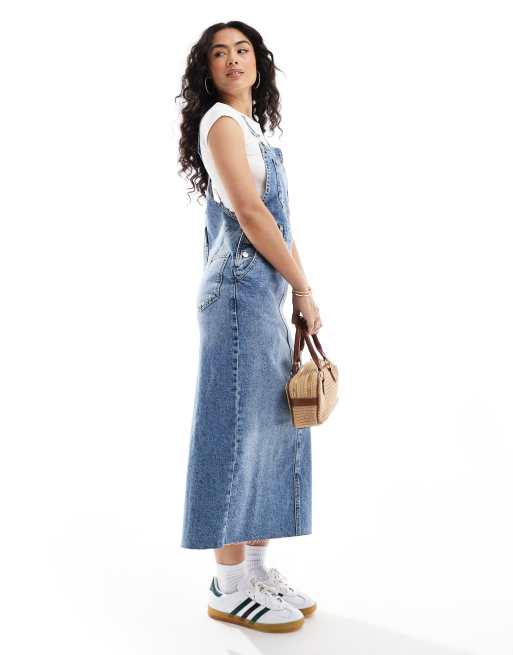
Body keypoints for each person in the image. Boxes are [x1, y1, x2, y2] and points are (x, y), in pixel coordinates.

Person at [176, 21, 322, 633]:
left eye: (242, 50)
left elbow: (279, 226)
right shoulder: (221, 124)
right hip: (238, 294)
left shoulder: (253, 128)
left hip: (262, 293)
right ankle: (229, 585)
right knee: (236, 430)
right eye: (220, 53)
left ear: (258, 63)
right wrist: (301, 287)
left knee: (268, 429)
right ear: (207, 70)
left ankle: (256, 571)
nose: (233, 60)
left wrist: (301, 289)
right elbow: (251, 212)